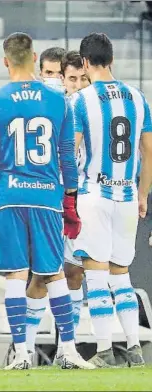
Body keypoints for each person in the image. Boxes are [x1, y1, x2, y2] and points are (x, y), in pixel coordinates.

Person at [0, 32, 94, 370]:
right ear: (35, 57)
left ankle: (23, 352)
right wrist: (70, 200)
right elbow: (67, 156)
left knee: (16, 274)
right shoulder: (57, 100)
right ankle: (68, 350)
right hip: (46, 196)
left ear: (4, 61)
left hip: (8, 196)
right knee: (54, 272)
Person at [73, 32, 152, 367]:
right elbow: (149, 152)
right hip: (127, 196)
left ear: (86, 63)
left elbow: (72, 147)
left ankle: (104, 349)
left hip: (93, 193)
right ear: (112, 61)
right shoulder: (138, 98)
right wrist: (144, 194)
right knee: (122, 274)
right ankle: (133, 347)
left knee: (95, 272)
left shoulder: (81, 100)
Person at [24, 50, 90, 365]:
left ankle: (68, 349)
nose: (65, 82)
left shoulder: (88, 107)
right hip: (47, 199)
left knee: (75, 272)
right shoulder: (44, 108)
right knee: (42, 274)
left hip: (81, 199)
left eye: (80, 78)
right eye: (48, 73)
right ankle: (23, 347)